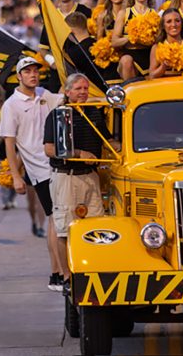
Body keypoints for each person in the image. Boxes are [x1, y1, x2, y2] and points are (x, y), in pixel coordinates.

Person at [0, 55, 66, 291]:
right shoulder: (11, 105)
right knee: (55, 219)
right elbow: (9, 143)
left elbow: (66, 96)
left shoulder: (43, 95)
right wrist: (16, 176)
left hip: (58, 163)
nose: (33, 74)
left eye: (35, 71)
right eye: (27, 72)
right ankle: (57, 272)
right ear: (19, 76)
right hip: (39, 169)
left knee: (57, 219)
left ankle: (61, 272)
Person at [44, 74, 113, 284]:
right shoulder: (57, 115)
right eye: (78, 89)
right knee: (65, 228)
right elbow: (49, 149)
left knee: (97, 226)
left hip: (90, 177)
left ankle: (94, 271)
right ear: (67, 92)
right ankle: (67, 277)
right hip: (67, 177)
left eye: (85, 88)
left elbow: (108, 140)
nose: (83, 92)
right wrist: (79, 154)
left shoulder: (93, 112)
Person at [111, 0, 159, 80]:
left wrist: (148, 39)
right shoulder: (124, 13)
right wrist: (132, 38)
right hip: (131, 55)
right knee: (126, 60)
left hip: (149, 55)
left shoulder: (155, 14)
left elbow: (159, 40)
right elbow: (114, 41)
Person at [149, 9, 183, 79]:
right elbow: (152, 75)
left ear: (182, 23)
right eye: (169, 21)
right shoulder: (156, 47)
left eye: (177, 21)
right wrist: (163, 67)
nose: (173, 25)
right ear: (163, 26)